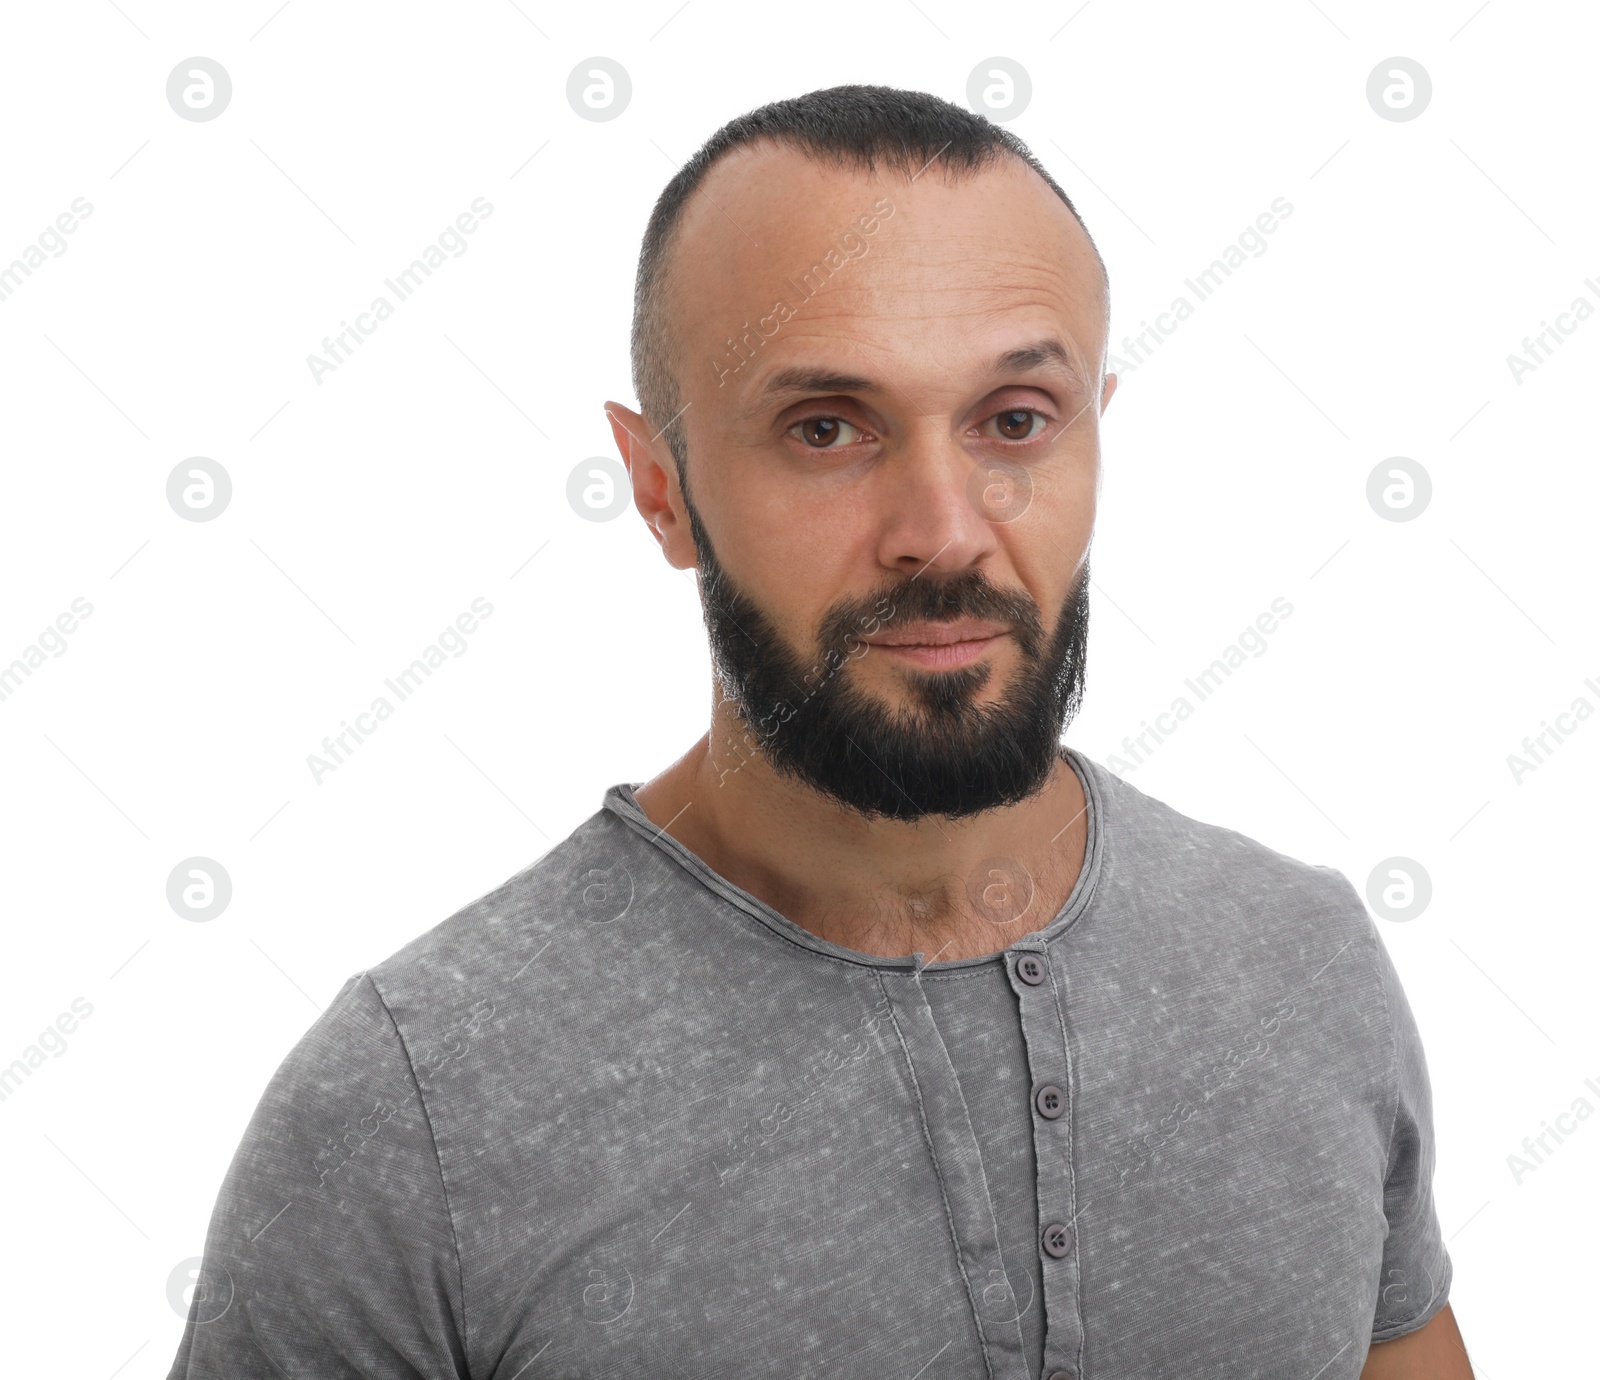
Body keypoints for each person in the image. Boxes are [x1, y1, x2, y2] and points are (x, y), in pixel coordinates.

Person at [168, 84, 1472, 1379]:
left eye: (1014, 420)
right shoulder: (409, 1116)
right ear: (660, 488)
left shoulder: (1305, 965)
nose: (946, 529)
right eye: (828, 429)